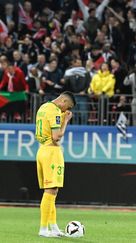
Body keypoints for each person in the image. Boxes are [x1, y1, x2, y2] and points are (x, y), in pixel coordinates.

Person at [35, 91, 76, 237]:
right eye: (67, 106)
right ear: (63, 101)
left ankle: (53, 227)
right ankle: (43, 229)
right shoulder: (55, 112)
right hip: (52, 152)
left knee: (53, 191)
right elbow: (56, 137)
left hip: (41, 150)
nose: (65, 110)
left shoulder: (43, 107)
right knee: (50, 191)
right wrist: (65, 121)